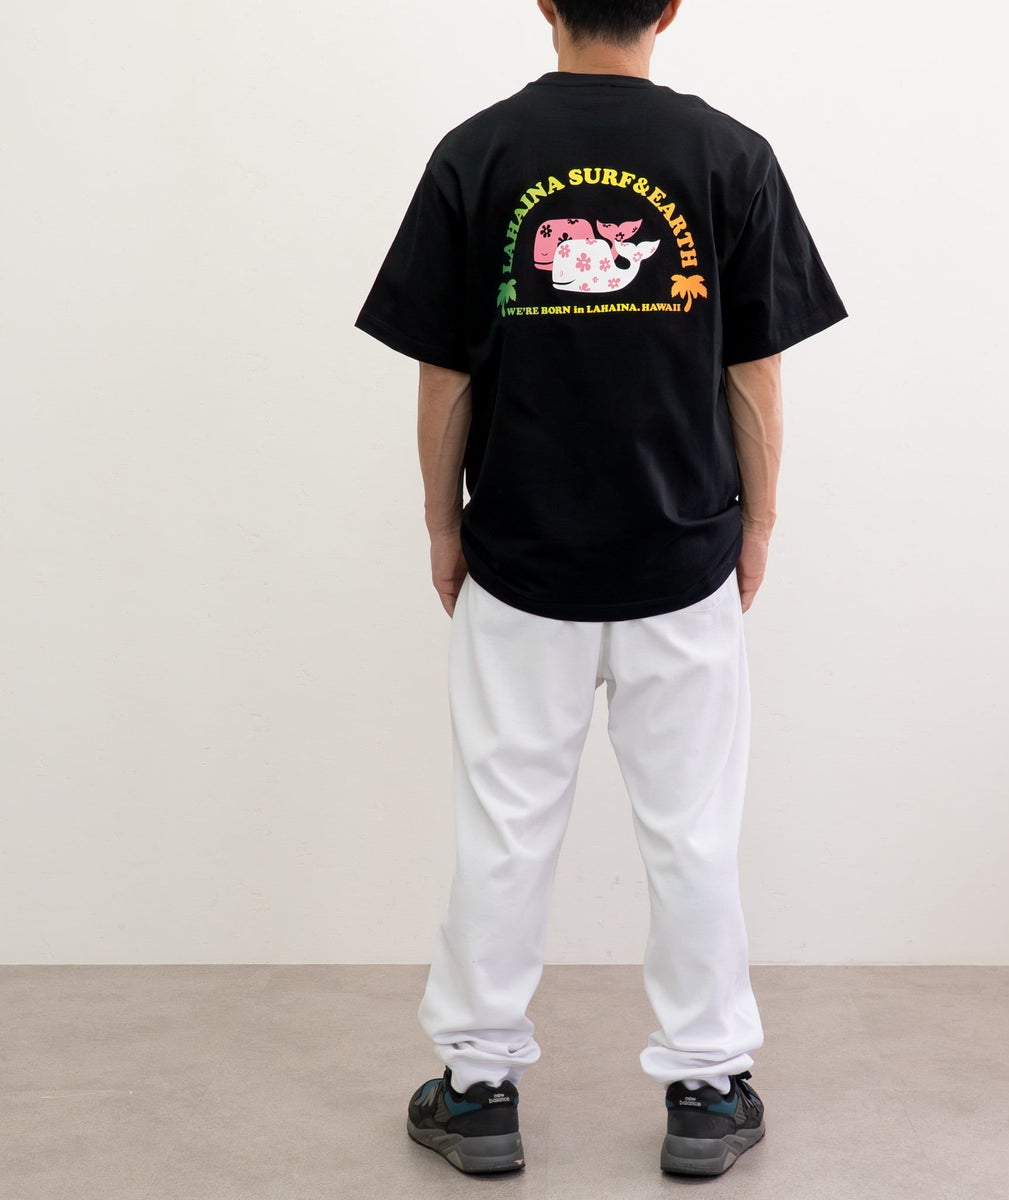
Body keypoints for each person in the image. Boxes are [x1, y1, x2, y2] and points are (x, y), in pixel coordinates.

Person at [353, 0, 847, 1178]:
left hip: (521, 561)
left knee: (503, 827)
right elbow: (756, 371)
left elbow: (443, 376)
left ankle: (476, 1091)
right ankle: (708, 1090)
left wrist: (442, 524)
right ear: (670, 6)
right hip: (682, 559)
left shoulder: (478, 154)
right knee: (693, 832)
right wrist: (758, 522)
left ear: (544, 1)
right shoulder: (729, 156)